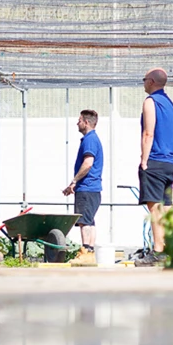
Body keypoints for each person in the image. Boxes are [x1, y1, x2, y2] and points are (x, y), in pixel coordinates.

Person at [136, 68, 173, 266]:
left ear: (151, 81)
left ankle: (158, 252)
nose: (143, 83)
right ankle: (171, 249)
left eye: (144, 79)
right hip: (171, 163)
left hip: (155, 160)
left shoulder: (151, 102)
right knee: (167, 209)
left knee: (154, 209)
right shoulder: (170, 104)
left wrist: (144, 161)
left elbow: (148, 133)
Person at [61, 108, 103, 254]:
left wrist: (74, 181)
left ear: (86, 122)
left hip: (86, 188)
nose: (76, 123)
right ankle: (90, 251)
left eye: (79, 121)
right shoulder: (93, 139)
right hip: (94, 189)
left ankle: (85, 251)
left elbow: (88, 163)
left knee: (84, 221)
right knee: (89, 220)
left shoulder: (90, 140)